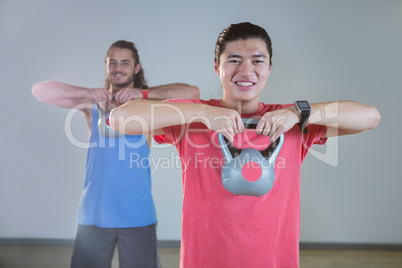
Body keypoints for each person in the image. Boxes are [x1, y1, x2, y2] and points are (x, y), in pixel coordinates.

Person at [109, 23, 381, 268]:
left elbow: (369, 117)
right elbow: (119, 118)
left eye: (257, 60)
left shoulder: (290, 121)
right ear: (217, 67)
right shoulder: (193, 115)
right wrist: (203, 113)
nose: (246, 70)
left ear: (270, 68)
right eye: (234, 60)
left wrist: (298, 113)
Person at [32, 40, 199, 268]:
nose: (118, 68)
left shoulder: (147, 107)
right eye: (112, 62)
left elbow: (192, 92)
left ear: (136, 68)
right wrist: (88, 92)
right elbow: (40, 91)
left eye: (124, 63)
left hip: (137, 215)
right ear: (106, 66)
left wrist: (141, 94)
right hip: (93, 215)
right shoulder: (91, 104)